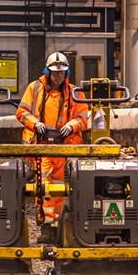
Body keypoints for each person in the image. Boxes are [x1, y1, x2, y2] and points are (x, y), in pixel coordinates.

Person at [15, 52, 90, 244]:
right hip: (42, 147)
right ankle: (47, 227)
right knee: (45, 186)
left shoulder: (75, 92)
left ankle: (60, 226)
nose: (58, 76)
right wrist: (35, 123)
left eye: (62, 72)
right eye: (55, 72)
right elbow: (21, 112)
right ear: (47, 72)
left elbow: (83, 118)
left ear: (67, 72)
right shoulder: (35, 88)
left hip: (64, 147)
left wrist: (71, 126)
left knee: (63, 187)